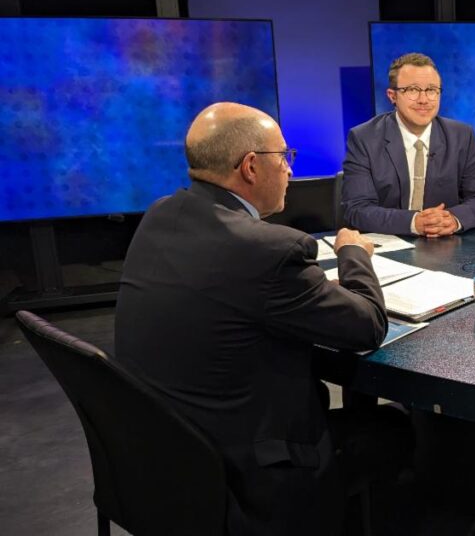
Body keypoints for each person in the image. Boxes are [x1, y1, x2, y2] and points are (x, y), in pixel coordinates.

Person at [115, 102, 410, 536]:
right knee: (396, 430)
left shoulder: (161, 214)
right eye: (284, 157)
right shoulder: (267, 251)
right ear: (251, 167)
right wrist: (352, 252)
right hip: (251, 474)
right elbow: (367, 326)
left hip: (162, 459)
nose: (290, 170)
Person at [342, 52, 475, 236]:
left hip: (446, 247)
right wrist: (414, 222)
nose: (423, 100)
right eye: (413, 90)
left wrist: (453, 220)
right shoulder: (364, 138)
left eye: (432, 90)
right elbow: (357, 209)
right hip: (389, 247)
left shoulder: (461, 136)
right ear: (392, 96)